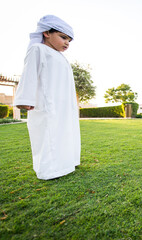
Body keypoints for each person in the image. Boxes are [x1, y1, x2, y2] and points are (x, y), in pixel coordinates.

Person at [14, 15, 81, 180]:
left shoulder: (61, 57)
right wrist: (25, 99)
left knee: (66, 132)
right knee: (48, 135)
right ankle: (50, 170)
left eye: (69, 40)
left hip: (63, 105)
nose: (66, 43)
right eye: (63, 37)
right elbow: (29, 74)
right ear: (46, 33)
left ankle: (67, 163)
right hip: (47, 104)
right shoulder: (38, 49)